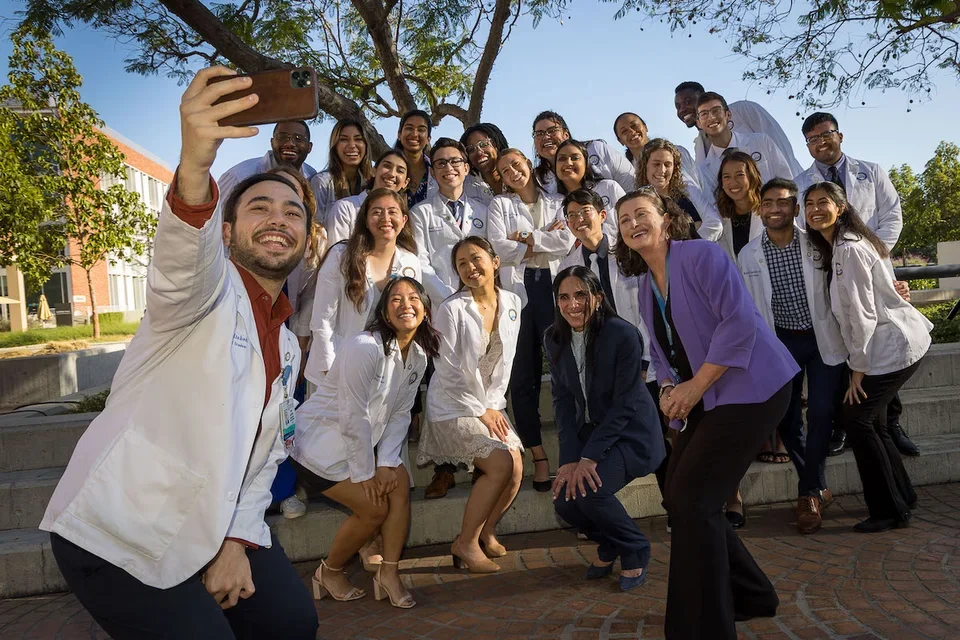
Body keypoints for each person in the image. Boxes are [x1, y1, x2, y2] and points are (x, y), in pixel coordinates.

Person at [39, 67, 318, 639]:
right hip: (120, 530)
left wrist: (237, 540)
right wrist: (194, 167)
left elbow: (264, 458)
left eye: (293, 213)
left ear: (308, 239)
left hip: (215, 524)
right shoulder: (202, 293)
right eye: (259, 207)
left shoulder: (288, 344)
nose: (277, 219)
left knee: (292, 623)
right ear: (226, 231)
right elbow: (179, 261)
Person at [615, 186, 798, 639]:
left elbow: (739, 321)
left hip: (754, 388)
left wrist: (694, 387)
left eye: (641, 213)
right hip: (707, 396)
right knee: (680, 498)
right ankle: (752, 594)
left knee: (695, 502)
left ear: (664, 217)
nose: (634, 223)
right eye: (624, 220)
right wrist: (669, 390)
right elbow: (661, 353)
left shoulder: (701, 256)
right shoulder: (643, 285)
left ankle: (703, 626)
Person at [292, 277, 440, 608]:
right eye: (396, 299)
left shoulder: (417, 355)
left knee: (399, 480)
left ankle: (389, 572)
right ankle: (328, 571)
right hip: (315, 448)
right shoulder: (365, 346)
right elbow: (352, 414)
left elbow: (400, 413)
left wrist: (386, 463)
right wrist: (366, 473)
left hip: (357, 446)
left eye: (414, 298)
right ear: (385, 313)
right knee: (374, 509)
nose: (406, 304)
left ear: (426, 310)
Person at [804, 181, 932, 532]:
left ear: (841, 207)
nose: (815, 209)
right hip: (883, 346)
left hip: (893, 345)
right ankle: (902, 496)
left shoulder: (850, 249)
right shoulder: (838, 246)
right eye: (809, 203)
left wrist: (857, 371)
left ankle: (889, 510)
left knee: (858, 420)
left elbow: (862, 315)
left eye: (824, 202)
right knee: (870, 422)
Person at [794, 112, 918, 457]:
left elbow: (892, 215)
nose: (820, 143)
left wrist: (870, 255)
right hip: (828, 270)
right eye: (812, 139)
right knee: (843, 341)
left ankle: (891, 423)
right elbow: (804, 228)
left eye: (826, 135)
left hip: (871, 266)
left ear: (840, 135)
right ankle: (843, 425)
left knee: (880, 341)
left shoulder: (872, 171)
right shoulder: (800, 181)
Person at [545, 266, 665, 591]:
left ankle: (635, 548)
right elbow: (562, 403)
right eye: (564, 297)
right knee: (564, 501)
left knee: (591, 490)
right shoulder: (554, 338)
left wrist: (590, 458)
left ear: (598, 297)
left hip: (631, 433)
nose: (573, 304)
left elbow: (625, 405)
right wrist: (570, 458)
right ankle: (611, 542)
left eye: (581, 295)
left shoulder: (622, 334)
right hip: (593, 433)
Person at [558, 189, 674, 527]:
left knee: (659, 434)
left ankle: (674, 505)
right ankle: (597, 515)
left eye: (586, 212)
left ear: (602, 214)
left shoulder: (628, 251)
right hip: (604, 366)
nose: (580, 220)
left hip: (646, 360)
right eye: (572, 215)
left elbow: (646, 308)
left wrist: (642, 362)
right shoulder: (569, 264)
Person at [739, 178, 847, 534]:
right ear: (760, 208)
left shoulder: (818, 244)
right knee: (786, 420)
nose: (774, 209)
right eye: (767, 203)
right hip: (780, 342)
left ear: (795, 208)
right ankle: (817, 484)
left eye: (783, 202)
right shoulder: (748, 254)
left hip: (821, 339)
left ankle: (808, 494)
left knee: (820, 413)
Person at [418, 237, 524, 571]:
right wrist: (481, 410)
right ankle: (465, 542)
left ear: (495, 262)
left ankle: (486, 531)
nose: (469, 267)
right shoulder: (452, 309)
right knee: (500, 464)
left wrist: (492, 405)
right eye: (461, 263)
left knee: (517, 467)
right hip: (452, 404)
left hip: (488, 401)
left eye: (475, 258)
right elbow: (447, 369)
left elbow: (504, 363)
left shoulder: (512, 302)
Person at [409, 138, 492, 498]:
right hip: (440, 309)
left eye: (455, 161)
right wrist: (450, 298)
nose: (449, 168)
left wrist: (473, 296)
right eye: (440, 163)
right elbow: (420, 262)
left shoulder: (484, 208)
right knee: (442, 386)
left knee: (481, 381)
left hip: (479, 307)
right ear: (432, 170)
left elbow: (489, 257)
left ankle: (482, 459)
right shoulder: (421, 213)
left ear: (466, 167)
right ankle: (444, 467)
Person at [488, 148, 574, 491]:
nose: (512, 172)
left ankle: (572, 454)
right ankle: (539, 456)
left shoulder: (557, 201)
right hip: (520, 295)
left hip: (556, 291)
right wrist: (544, 239)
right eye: (504, 170)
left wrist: (526, 239)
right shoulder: (500, 206)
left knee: (566, 371)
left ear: (528, 163)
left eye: (516, 164)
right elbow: (497, 248)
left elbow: (566, 241)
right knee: (522, 379)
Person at [303, 188, 422, 383]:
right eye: (376, 212)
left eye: (392, 212)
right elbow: (322, 319)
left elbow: (410, 321)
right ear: (365, 220)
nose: (385, 218)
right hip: (334, 368)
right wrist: (332, 373)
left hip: (383, 373)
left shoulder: (411, 262)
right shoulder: (341, 256)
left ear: (404, 220)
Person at [673, 81, 803, 175]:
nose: (682, 109)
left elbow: (780, 146)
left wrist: (795, 186)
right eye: (678, 106)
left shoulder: (744, 110)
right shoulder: (700, 147)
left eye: (688, 102)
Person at [694, 92, 794, 198]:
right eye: (704, 114)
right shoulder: (704, 171)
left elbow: (787, 182)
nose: (711, 117)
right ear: (699, 123)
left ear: (728, 115)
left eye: (716, 111)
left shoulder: (761, 142)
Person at [635, 138, 722, 241]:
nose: (662, 170)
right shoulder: (637, 202)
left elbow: (715, 224)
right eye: (656, 164)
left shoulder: (688, 190)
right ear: (645, 166)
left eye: (667, 165)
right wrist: (696, 227)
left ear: (675, 168)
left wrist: (690, 245)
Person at [532, 111, 635, 194]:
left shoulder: (597, 150)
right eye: (539, 133)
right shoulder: (537, 180)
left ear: (566, 135)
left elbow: (631, 183)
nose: (546, 137)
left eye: (552, 130)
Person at [218, 119, 316, 202]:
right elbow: (214, 219)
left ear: (309, 147)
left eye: (298, 138)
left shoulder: (312, 178)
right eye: (282, 137)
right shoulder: (238, 177)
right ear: (272, 143)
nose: (290, 143)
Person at [326, 150, 411, 246]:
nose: (392, 174)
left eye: (400, 171)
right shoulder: (344, 208)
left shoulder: (402, 217)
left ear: (406, 182)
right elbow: (337, 253)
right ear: (374, 171)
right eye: (387, 166)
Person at [553, 139, 624, 237]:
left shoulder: (609, 187)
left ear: (586, 163)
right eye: (562, 159)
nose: (568, 163)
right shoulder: (554, 205)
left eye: (575, 158)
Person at [613, 112, 701, 189]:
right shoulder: (628, 172)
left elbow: (698, 184)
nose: (632, 132)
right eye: (624, 131)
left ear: (645, 127)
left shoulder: (676, 152)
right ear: (620, 141)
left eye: (634, 125)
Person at [310, 118, 373, 225]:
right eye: (344, 139)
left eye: (358, 139)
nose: (352, 145)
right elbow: (315, 228)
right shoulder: (321, 182)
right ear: (335, 146)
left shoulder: (372, 182)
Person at [714, 150, 765, 261]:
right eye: (727, 177)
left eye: (740, 175)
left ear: (752, 178)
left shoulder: (769, 210)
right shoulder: (717, 215)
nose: (733, 182)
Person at [459, 122, 507, 202]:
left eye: (483, 144)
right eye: (471, 149)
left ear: (497, 145)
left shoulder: (515, 175)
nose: (479, 152)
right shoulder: (464, 187)